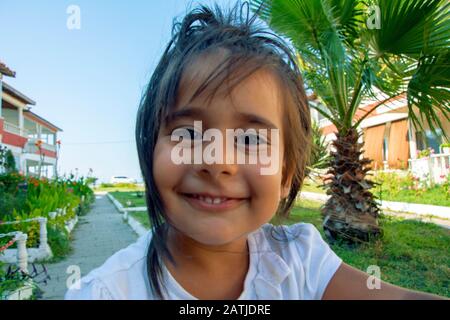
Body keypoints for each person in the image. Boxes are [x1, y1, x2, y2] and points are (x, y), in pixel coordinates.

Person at [65, 2, 444, 300]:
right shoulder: (106, 291)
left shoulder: (300, 261)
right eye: (187, 133)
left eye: (250, 140)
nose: (218, 162)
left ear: (285, 173)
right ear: (150, 149)